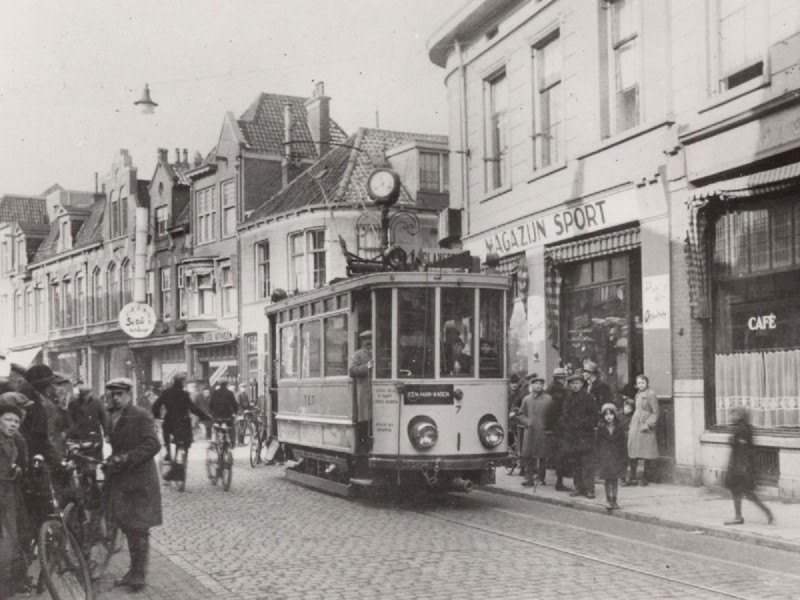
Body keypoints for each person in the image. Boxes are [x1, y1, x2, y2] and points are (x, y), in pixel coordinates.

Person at [105, 377, 162, 591]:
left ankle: (138, 575)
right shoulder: (112, 415)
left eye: (120, 394)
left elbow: (153, 444)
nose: (116, 398)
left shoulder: (140, 415)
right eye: (113, 394)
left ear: (129, 394)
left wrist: (127, 458)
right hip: (122, 478)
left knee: (139, 527)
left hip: (140, 479)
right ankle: (134, 571)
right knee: (129, 526)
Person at [724, 406, 773, 526]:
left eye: (734, 414)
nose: (731, 417)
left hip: (741, 467)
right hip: (741, 466)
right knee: (742, 492)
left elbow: (743, 451)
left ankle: (742, 516)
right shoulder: (743, 428)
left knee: (743, 492)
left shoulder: (742, 430)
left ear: (740, 416)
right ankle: (763, 512)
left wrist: (737, 468)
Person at [0, 400, 29, 599]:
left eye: (16, 421)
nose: (13, 424)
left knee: (10, 543)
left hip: (7, 495)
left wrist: (15, 469)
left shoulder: (11, 441)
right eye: (8, 420)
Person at [151, 373, 211, 469]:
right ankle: (184, 452)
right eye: (184, 382)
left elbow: (155, 406)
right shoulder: (185, 394)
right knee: (186, 438)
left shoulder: (166, 393)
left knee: (166, 434)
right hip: (183, 422)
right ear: (182, 383)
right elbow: (193, 409)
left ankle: (168, 453)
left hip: (169, 421)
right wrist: (205, 417)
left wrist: (157, 416)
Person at [559, 373, 597, 499]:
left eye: (577, 383)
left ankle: (589, 489)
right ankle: (578, 487)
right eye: (572, 384)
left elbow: (594, 417)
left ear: (582, 384)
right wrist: (565, 424)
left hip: (584, 435)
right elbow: (564, 415)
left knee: (587, 464)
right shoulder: (568, 398)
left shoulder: (589, 397)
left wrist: (581, 423)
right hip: (571, 436)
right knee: (575, 464)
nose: (575, 386)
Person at [516, 376, 553, 487]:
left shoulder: (548, 399)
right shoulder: (527, 399)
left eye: (540, 384)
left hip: (542, 431)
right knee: (528, 455)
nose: (538, 386)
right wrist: (527, 422)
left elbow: (553, 415)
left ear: (543, 386)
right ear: (532, 385)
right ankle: (529, 478)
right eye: (536, 384)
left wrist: (548, 426)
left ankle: (541, 478)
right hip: (530, 431)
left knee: (542, 456)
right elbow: (520, 414)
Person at [626, 374, 659, 486]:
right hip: (636, 424)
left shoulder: (651, 394)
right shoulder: (638, 393)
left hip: (645, 425)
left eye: (643, 382)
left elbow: (655, 412)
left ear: (647, 383)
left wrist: (648, 425)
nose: (641, 385)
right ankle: (632, 478)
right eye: (639, 383)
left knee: (646, 454)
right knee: (633, 452)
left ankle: (645, 478)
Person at [66, 384, 110, 461]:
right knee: (78, 459)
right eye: (82, 395)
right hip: (78, 436)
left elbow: (104, 419)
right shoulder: (74, 403)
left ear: (90, 393)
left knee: (93, 461)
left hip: (93, 436)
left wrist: (107, 433)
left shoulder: (97, 403)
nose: (84, 397)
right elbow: (69, 419)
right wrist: (70, 432)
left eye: (86, 395)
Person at [595, 403, 626, 511]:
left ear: (614, 415)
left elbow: (623, 443)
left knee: (615, 480)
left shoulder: (619, 427)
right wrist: (598, 457)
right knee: (608, 479)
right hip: (605, 457)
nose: (609, 417)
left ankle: (615, 500)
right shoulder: (601, 428)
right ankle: (608, 500)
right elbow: (597, 443)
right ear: (603, 416)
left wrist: (624, 457)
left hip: (616, 456)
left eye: (611, 414)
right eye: (606, 414)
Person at [546, 367, 569, 491]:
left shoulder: (551, 390)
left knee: (560, 455)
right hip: (558, 427)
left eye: (563, 378)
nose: (562, 380)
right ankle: (559, 482)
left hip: (557, 427)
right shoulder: (557, 392)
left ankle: (559, 481)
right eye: (561, 378)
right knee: (561, 455)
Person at [349, 330, 373, 450]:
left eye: (370, 339)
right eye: (365, 339)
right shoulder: (358, 355)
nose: (368, 341)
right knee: (365, 418)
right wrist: (366, 367)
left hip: (378, 393)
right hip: (364, 391)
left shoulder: (379, 352)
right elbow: (352, 370)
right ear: (362, 342)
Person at [209, 378, 237, 447]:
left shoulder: (214, 393)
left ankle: (214, 439)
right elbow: (234, 405)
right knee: (232, 428)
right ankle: (232, 442)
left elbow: (211, 404)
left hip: (217, 417)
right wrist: (235, 413)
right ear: (227, 385)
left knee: (215, 426)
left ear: (219, 384)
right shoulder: (230, 393)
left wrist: (211, 412)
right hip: (227, 418)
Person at [617, 398, 635, 486]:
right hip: (619, 439)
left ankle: (631, 477)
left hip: (629, 439)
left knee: (629, 458)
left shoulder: (633, 417)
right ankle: (621, 478)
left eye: (629, 408)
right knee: (621, 459)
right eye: (626, 407)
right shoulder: (618, 415)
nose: (627, 410)